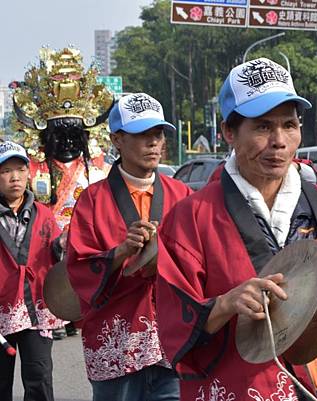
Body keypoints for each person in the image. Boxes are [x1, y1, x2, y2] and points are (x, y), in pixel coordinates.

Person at [154, 58, 317, 401]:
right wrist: (225, 304)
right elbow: (173, 315)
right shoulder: (190, 217)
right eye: (263, 127)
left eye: (289, 125)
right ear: (229, 133)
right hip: (240, 384)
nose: (279, 141)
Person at [65, 93, 193, 401]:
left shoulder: (183, 194)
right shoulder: (92, 201)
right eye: (142, 135)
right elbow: (78, 271)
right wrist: (121, 251)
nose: (153, 143)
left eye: (158, 134)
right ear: (117, 140)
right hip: (117, 345)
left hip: (172, 339)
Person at [12, 47, 114, 340]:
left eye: (74, 136)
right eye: (60, 136)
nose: (68, 143)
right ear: (44, 138)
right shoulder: (33, 169)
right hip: (46, 243)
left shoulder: (99, 169)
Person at [0, 141, 63, 401]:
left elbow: (58, 252)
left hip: (36, 311)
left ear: (29, 173)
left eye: (20, 169)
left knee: (39, 380)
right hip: (1, 312)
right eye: (5, 171)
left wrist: (63, 245)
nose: (14, 177)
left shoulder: (44, 214)